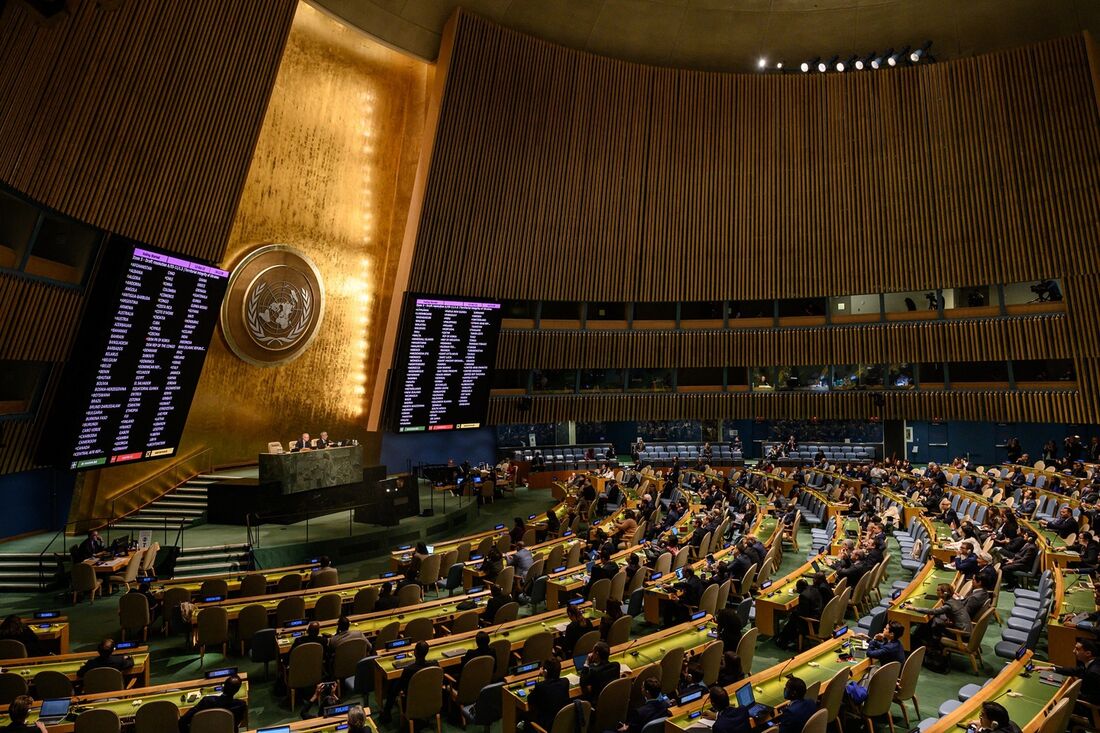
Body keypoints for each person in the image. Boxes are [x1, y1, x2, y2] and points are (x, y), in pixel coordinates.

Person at [380, 641, 437, 723]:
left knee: (393, 686)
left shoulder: (408, 670)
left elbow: (398, 688)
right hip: (429, 697)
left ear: (415, 652)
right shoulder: (435, 664)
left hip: (412, 701)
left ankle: (387, 713)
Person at [1034, 640, 1100, 707]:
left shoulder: (1093, 673)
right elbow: (1076, 670)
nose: (1073, 651)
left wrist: (1066, 690)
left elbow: (1090, 697)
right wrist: (1051, 668)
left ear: (1088, 653)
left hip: (1088, 708)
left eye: (1077, 649)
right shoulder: (1095, 661)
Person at [179, 674, 248, 732]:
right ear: (237, 690)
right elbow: (237, 723)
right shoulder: (241, 705)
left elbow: (183, 721)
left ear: (223, 687)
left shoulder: (207, 701)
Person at [775, 578, 821, 650]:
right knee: (793, 617)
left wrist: (794, 611)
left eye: (797, 587)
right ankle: (785, 638)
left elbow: (803, 613)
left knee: (793, 619)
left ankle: (783, 641)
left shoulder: (803, 596)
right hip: (818, 615)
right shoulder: (814, 589)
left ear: (800, 588)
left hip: (812, 623)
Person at [526, 658, 570, 731]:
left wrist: (543, 677)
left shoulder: (540, 686)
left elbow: (530, 700)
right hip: (563, 723)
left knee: (524, 717)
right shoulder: (565, 682)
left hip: (547, 726)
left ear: (545, 671)